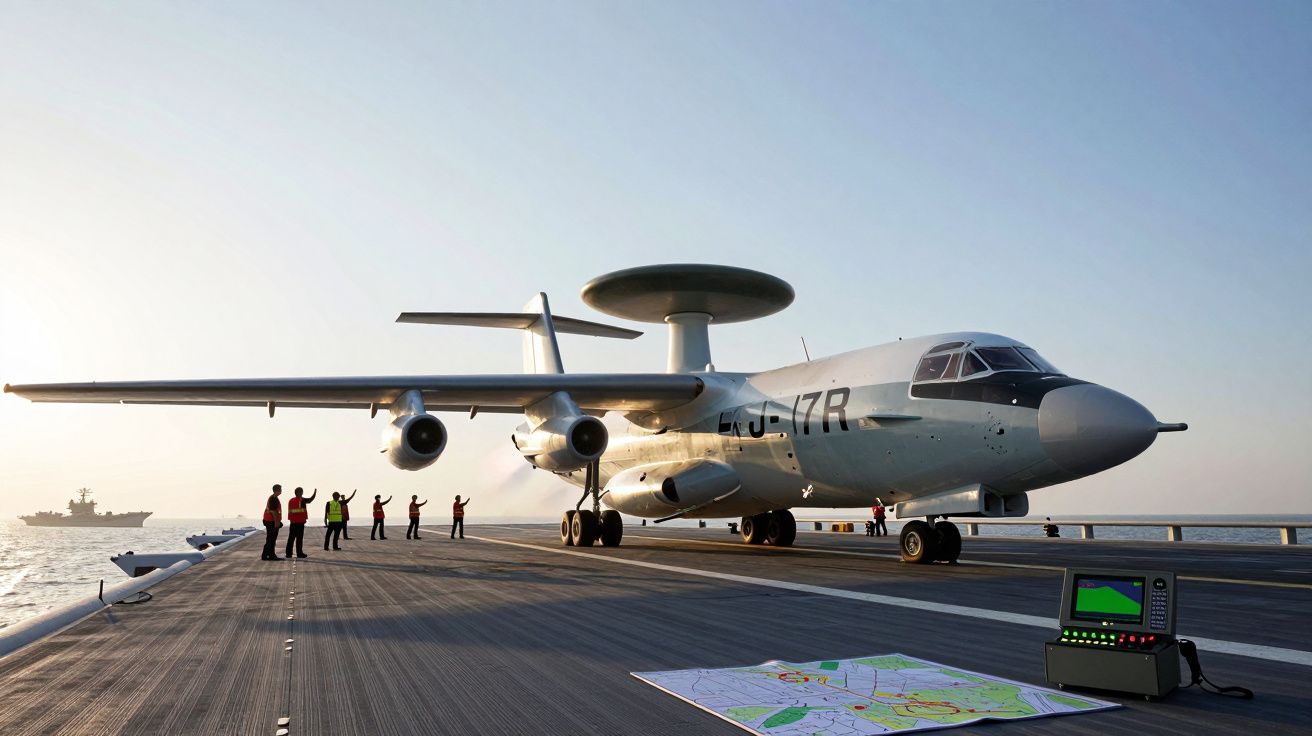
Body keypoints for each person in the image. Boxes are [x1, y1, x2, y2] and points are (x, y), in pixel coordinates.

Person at [284, 486, 317, 559]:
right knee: (299, 538)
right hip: (300, 522)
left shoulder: (291, 500)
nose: (302, 492)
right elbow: (310, 500)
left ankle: (288, 554)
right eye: (301, 491)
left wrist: (290, 519)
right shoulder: (302, 500)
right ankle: (299, 553)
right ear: (299, 493)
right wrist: (315, 493)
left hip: (293, 522)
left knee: (291, 538)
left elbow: (290, 511)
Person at [261, 484, 284, 560]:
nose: (281, 490)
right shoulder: (274, 499)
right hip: (271, 521)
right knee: (271, 539)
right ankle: (269, 555)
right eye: (280, 489)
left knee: (270, 539)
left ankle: (269, 555)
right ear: (277, 490)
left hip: (269, 520)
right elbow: (273, 512)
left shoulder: (273, 498)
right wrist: (277, 523)